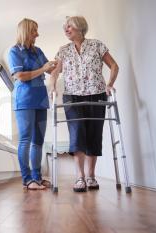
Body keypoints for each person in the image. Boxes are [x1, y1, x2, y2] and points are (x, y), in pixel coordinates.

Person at [50, 16, 119, 192]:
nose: (66, 29)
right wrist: (52, 87)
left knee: (94, 132)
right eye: (64, 27)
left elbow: (114, 66)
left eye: (69, 26)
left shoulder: (97, 45)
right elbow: (55, 72)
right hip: (72, 97)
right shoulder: (63, 50)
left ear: (80, 28)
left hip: (97, 94)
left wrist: (109, 84)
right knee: (77, 131)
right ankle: (80, 177)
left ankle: (91, 176)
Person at [8, 18, 57, 190]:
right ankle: (27, 179)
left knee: (39, 141)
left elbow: (49, 69)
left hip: (41, 99)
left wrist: (57, 63)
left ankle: (37, 177)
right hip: (25, 100)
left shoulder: (38, 51)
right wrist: (43, 69)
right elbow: (20, 76)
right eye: (34, 30)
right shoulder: (14, 51)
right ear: (27, 31)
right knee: (26, 139)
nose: (37, 34)